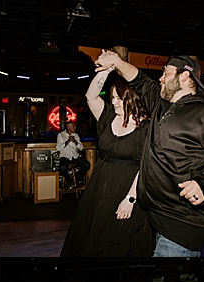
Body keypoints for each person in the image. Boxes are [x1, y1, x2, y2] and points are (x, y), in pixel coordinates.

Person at [94, 50, 204, 257]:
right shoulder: (160, 104)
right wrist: (116, 62)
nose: (161, 78)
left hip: (184, 220)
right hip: (157, 215)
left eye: (166, 73)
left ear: (184, 76)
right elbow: (139, 80)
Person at [61, 69, 155, 257]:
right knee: (90, 232)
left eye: (118, 98)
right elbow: (91, 95)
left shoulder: (146, 128)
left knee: (116, 237)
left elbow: (146, 166)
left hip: (126, 188)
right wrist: (107, 69)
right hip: (99, 185)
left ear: (132, 99)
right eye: (112, 97)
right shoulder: (108, 117)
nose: (113, 102)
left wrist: (130, 199)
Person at [56, 120, 91, 187]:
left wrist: (75, 141)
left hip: (75, 156)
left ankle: (76, 178)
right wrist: (68, 141)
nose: (75, 128)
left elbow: (81, 148)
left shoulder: (76, 135)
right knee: (63, 167)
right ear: (68, 128)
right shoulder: (61, 135)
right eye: (73, 126)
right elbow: (58, 148)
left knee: (87, 165)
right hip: (65, 156)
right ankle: (68, 179)